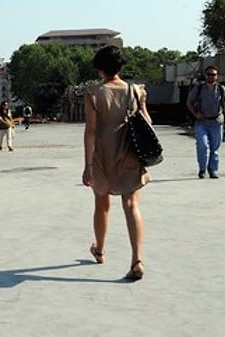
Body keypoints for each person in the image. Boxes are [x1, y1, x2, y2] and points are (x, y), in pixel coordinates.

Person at [82, 45, 150, 282]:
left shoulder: (93, 93)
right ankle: (137, 260)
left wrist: (88, 165)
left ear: (100, 69)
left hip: (102, 156)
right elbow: (146, 123)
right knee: (131, 205)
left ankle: (99, 250)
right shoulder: (136, 90)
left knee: (102, 204)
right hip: (130, 153)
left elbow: (91, 130)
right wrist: (142, 104)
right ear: (121, 67)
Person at [186, 66, 225, 179]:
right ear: (205, 76)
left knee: (214, 148)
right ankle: (202, 170)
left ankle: (213, 170)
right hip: (202, 122)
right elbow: (189, 102)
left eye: (214, 74)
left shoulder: (221, 88)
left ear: (217, 76)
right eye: (209, 74)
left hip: (216, 122)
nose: (211, 76)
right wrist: (195, 114)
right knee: (202, 145)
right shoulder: (199, 88)